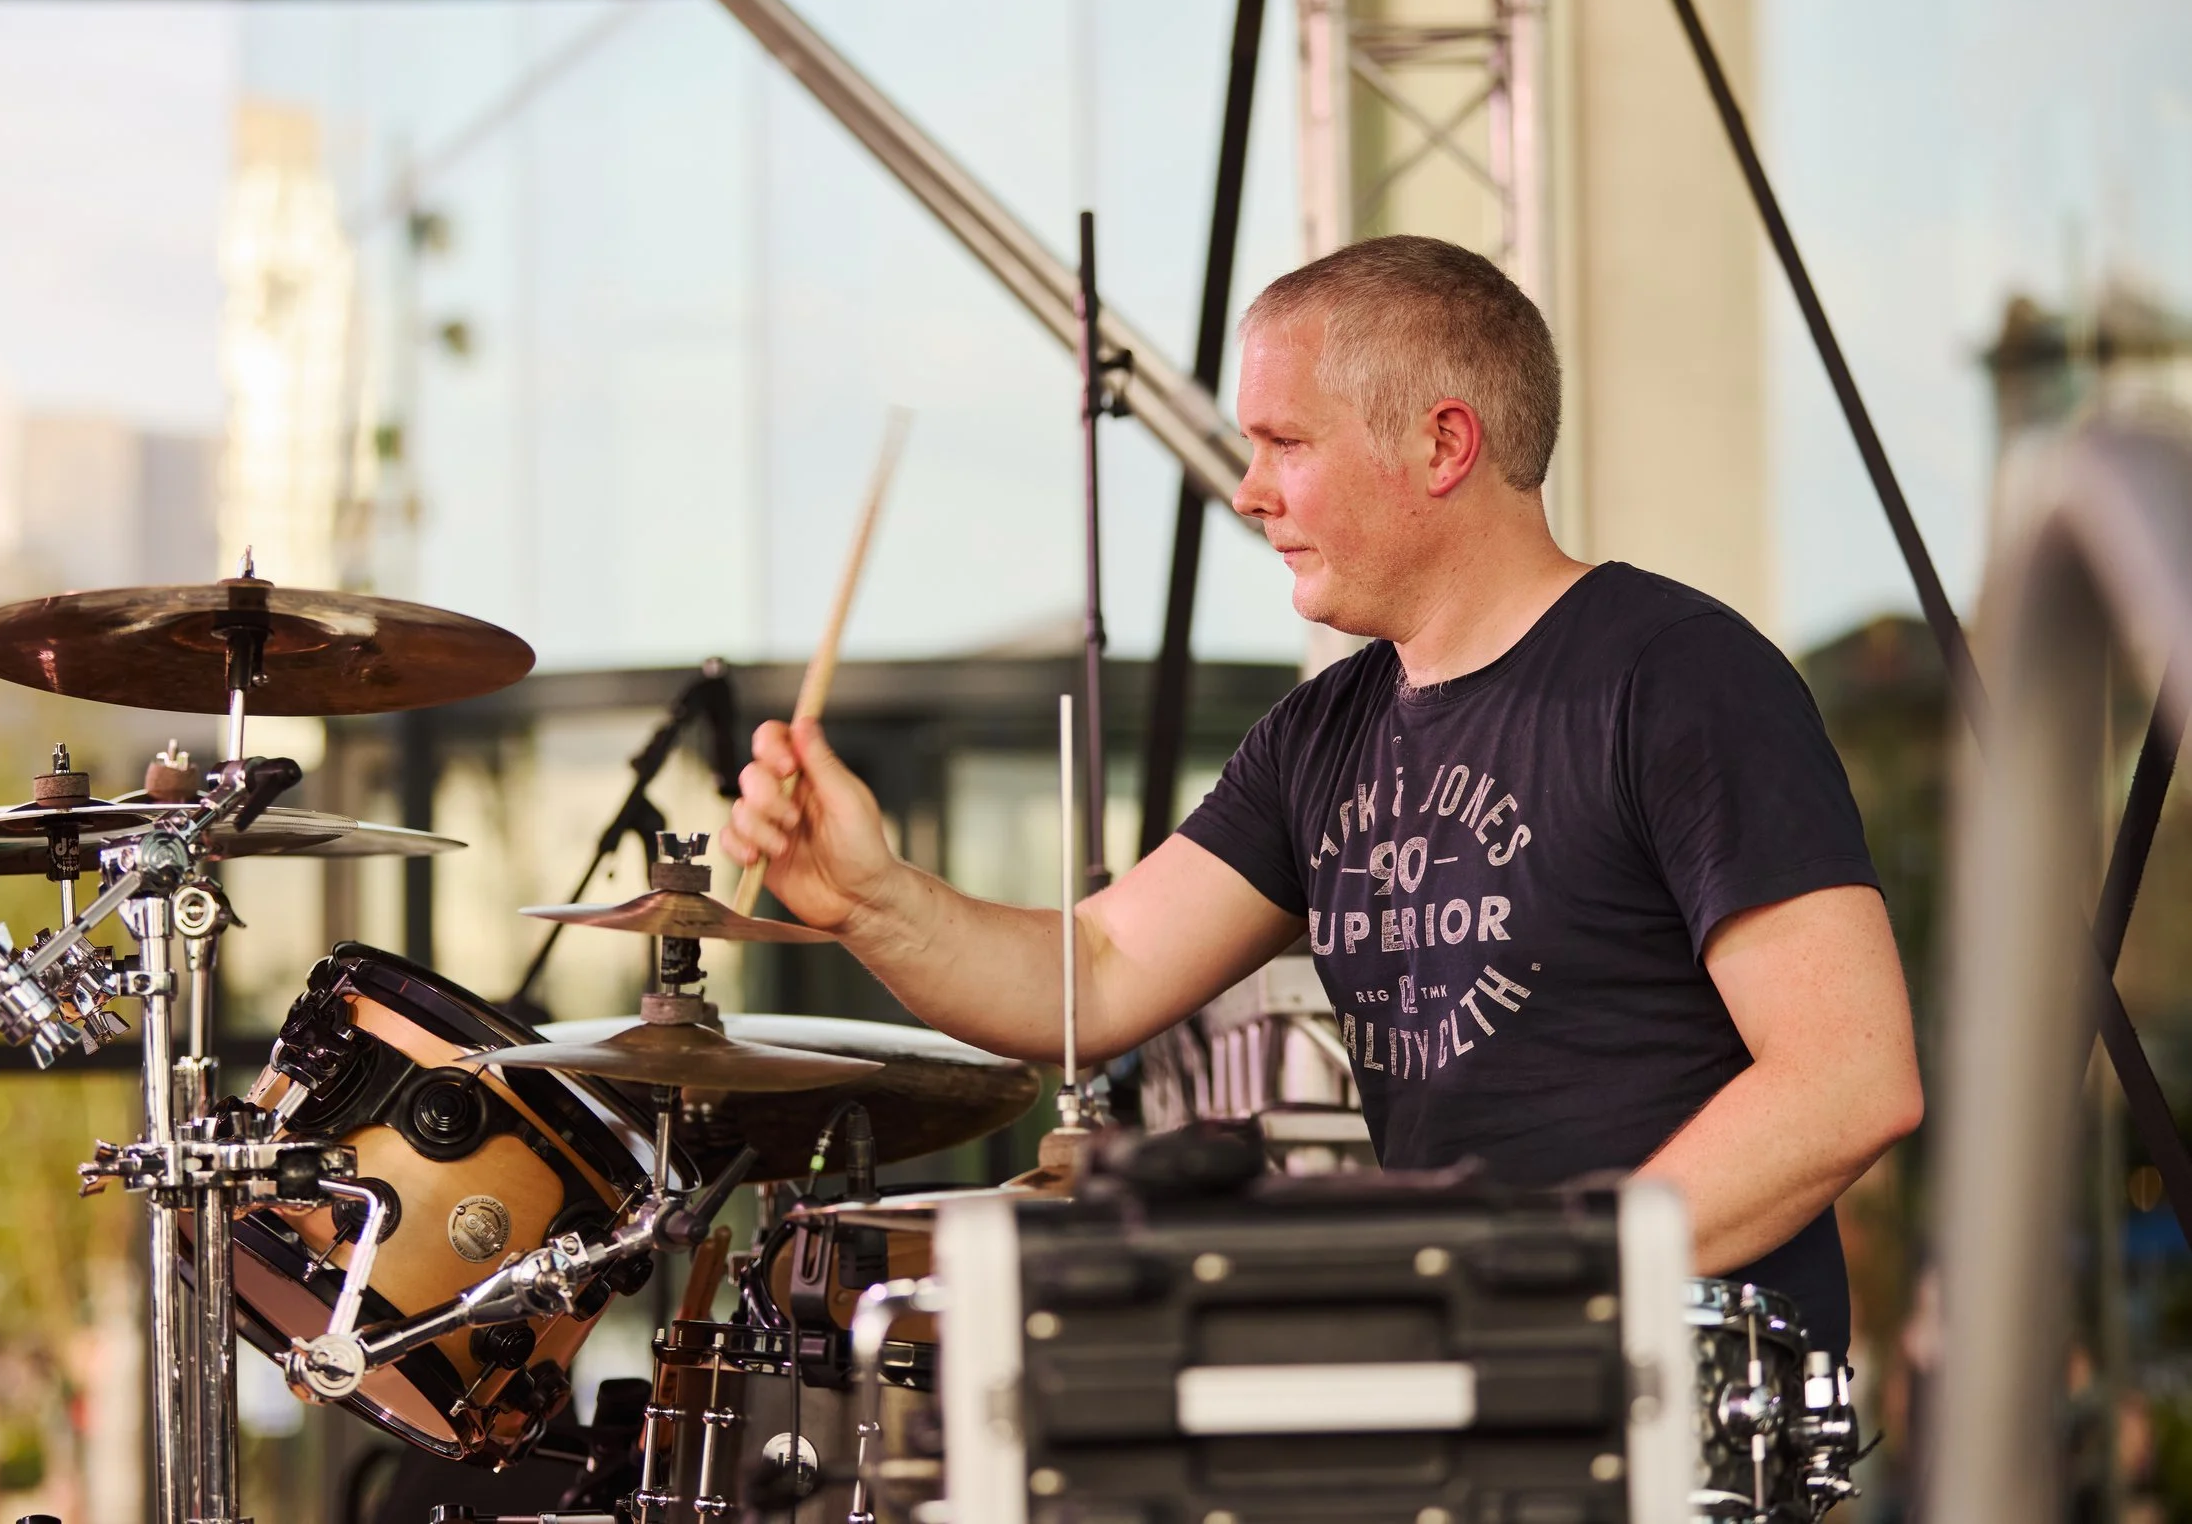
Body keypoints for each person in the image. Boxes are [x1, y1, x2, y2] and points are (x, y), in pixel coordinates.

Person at [723, 234, 1922, 1352]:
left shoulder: (1678, 678)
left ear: (1442, 445)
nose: (1249, 492)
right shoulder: (1319, 738)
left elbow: (1847, 1077)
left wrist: (1553, 1272)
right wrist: (866, 899)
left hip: (1667, 1392)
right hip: (1470, 1382)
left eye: (1284, 443)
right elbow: (1092, 976)